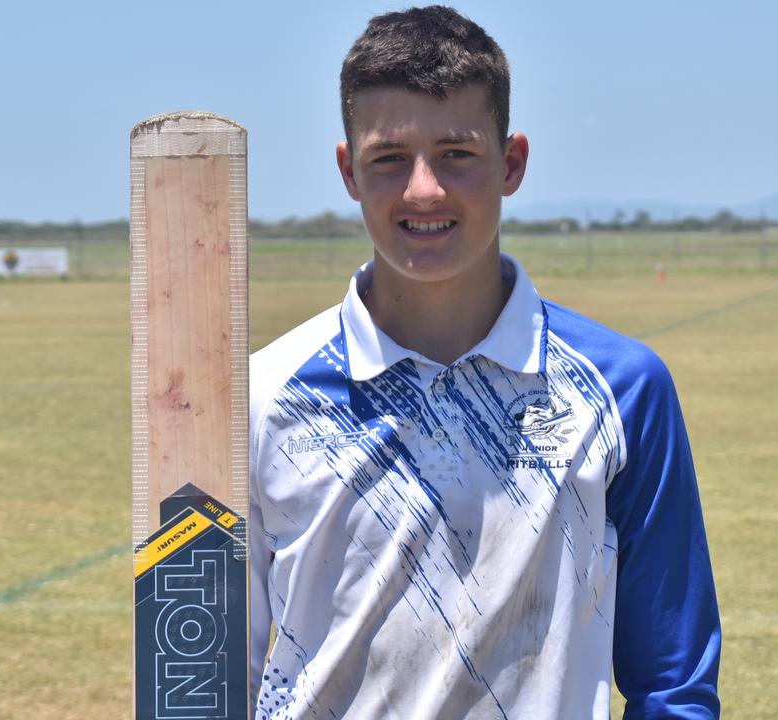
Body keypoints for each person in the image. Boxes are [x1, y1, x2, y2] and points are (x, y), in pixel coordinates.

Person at [248, 6, 720, 718]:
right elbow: (211, 676)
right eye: (388, 159)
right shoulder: (263, 396)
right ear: (348, 171)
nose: (424, 190)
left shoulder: (624, 390)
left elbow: (672, 685)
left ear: (513, 163)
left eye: (457, 154)